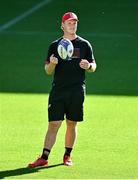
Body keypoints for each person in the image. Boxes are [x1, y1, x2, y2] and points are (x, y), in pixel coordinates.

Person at [28, 12, 97, 168]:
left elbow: (94, 65)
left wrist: (89, 66)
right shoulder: (54, 45)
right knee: (54, 124)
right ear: (63, 26)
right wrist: (52, 64)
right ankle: (44, 157)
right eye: (69, 23)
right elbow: (48, 71)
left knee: (72, 123)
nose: (72, 26)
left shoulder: (84, 44)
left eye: (74, 23)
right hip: (58, 91)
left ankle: (67, 155)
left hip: (77, 90)